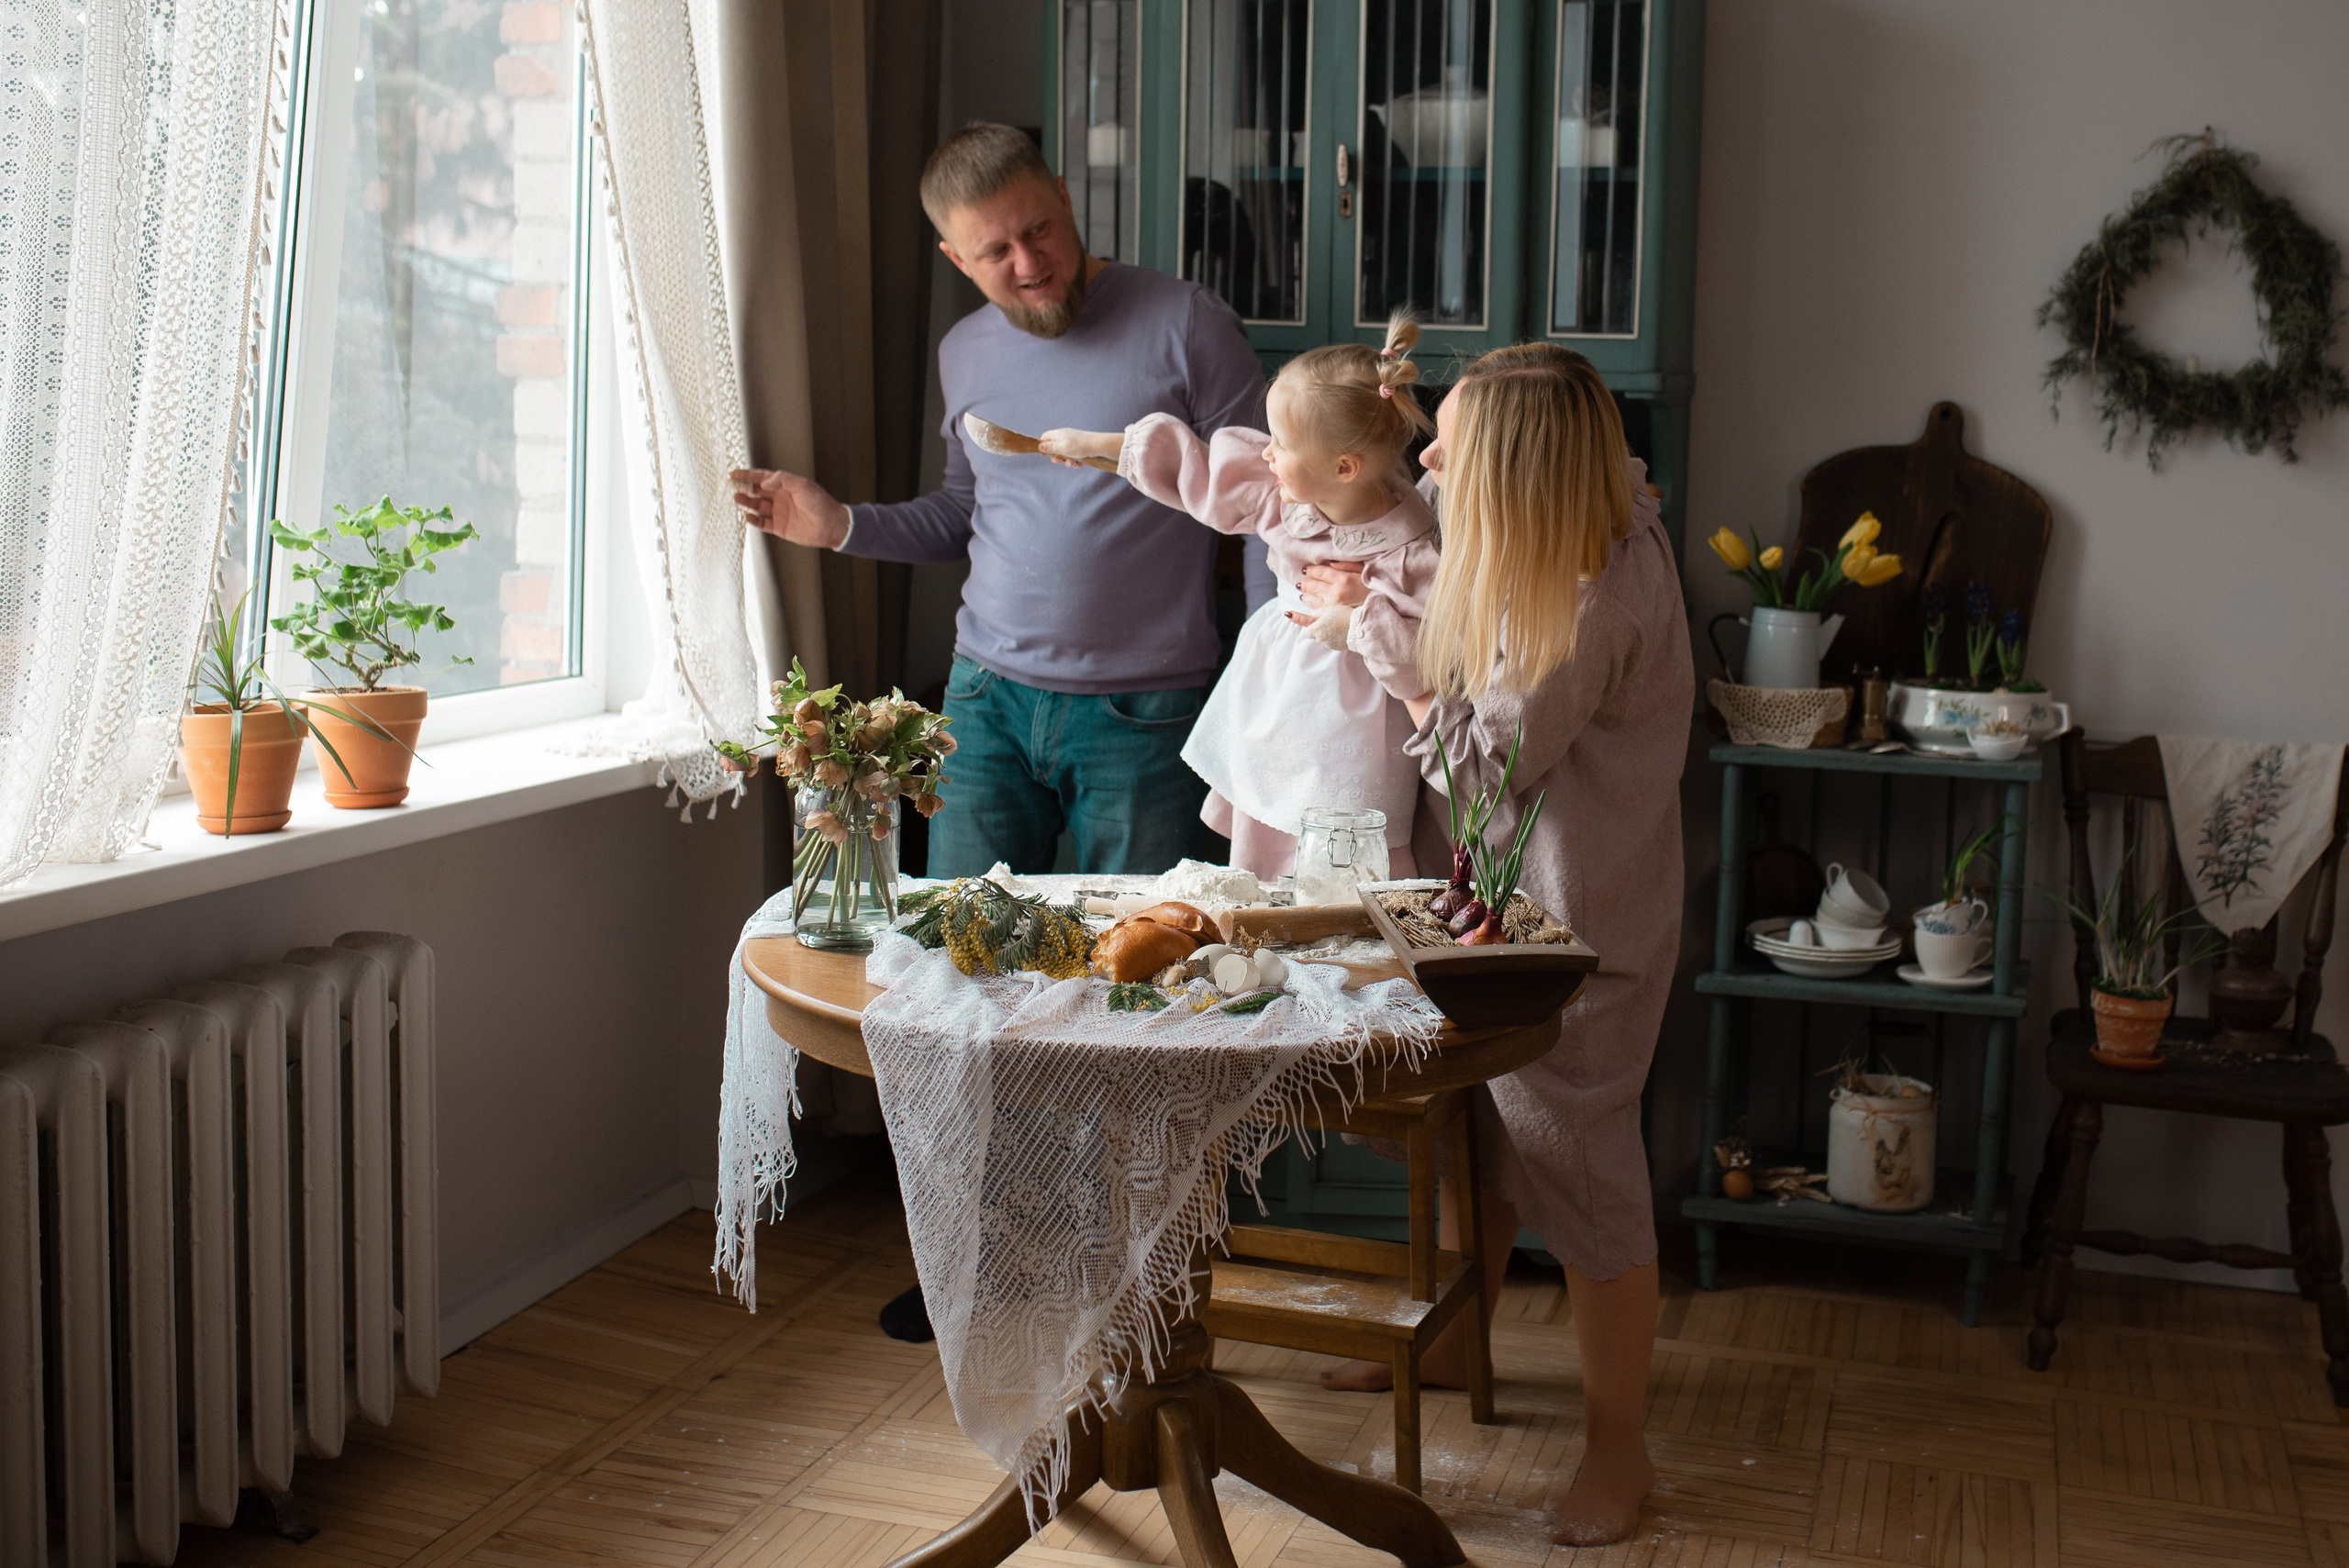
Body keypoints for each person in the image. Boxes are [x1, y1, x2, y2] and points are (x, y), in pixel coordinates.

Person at [1307, 343, 1692, 1548]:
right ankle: (1466, 1328)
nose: (1425, 458)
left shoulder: (1589, 598)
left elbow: (1481, 757)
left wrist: (1373, 638)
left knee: (1584, 1176)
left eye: (1450, 447)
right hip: (1495, 906)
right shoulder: (1592, 504)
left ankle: (1619, 1450)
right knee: (1477, 1129)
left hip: (1579, 933)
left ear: (1522, 471)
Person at [731, 122, 1267, 878]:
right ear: (956, 258)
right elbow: (962, 511)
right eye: (994, 251)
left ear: (1063, 197)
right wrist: (842, 526)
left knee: (1145, 974)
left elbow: (1269, 508)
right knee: (962, 956)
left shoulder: (1189, 323)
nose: (1029, 263)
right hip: (984, 702)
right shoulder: (964, 351)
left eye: (1039, 229)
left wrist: (1266, 667)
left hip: (1146, 712)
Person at [1035, 316, 1438, 881]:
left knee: (1344, 844)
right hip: (1275, 697)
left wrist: (1363, 614)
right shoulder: (1288, 497)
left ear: (1345, 467)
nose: (1267, 455)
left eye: (1282, 444)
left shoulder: (1411, 550)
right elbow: (1196, 469)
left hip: (1355, 721)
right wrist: (1098, 447)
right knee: (1266, 825)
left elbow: (1430, 654)